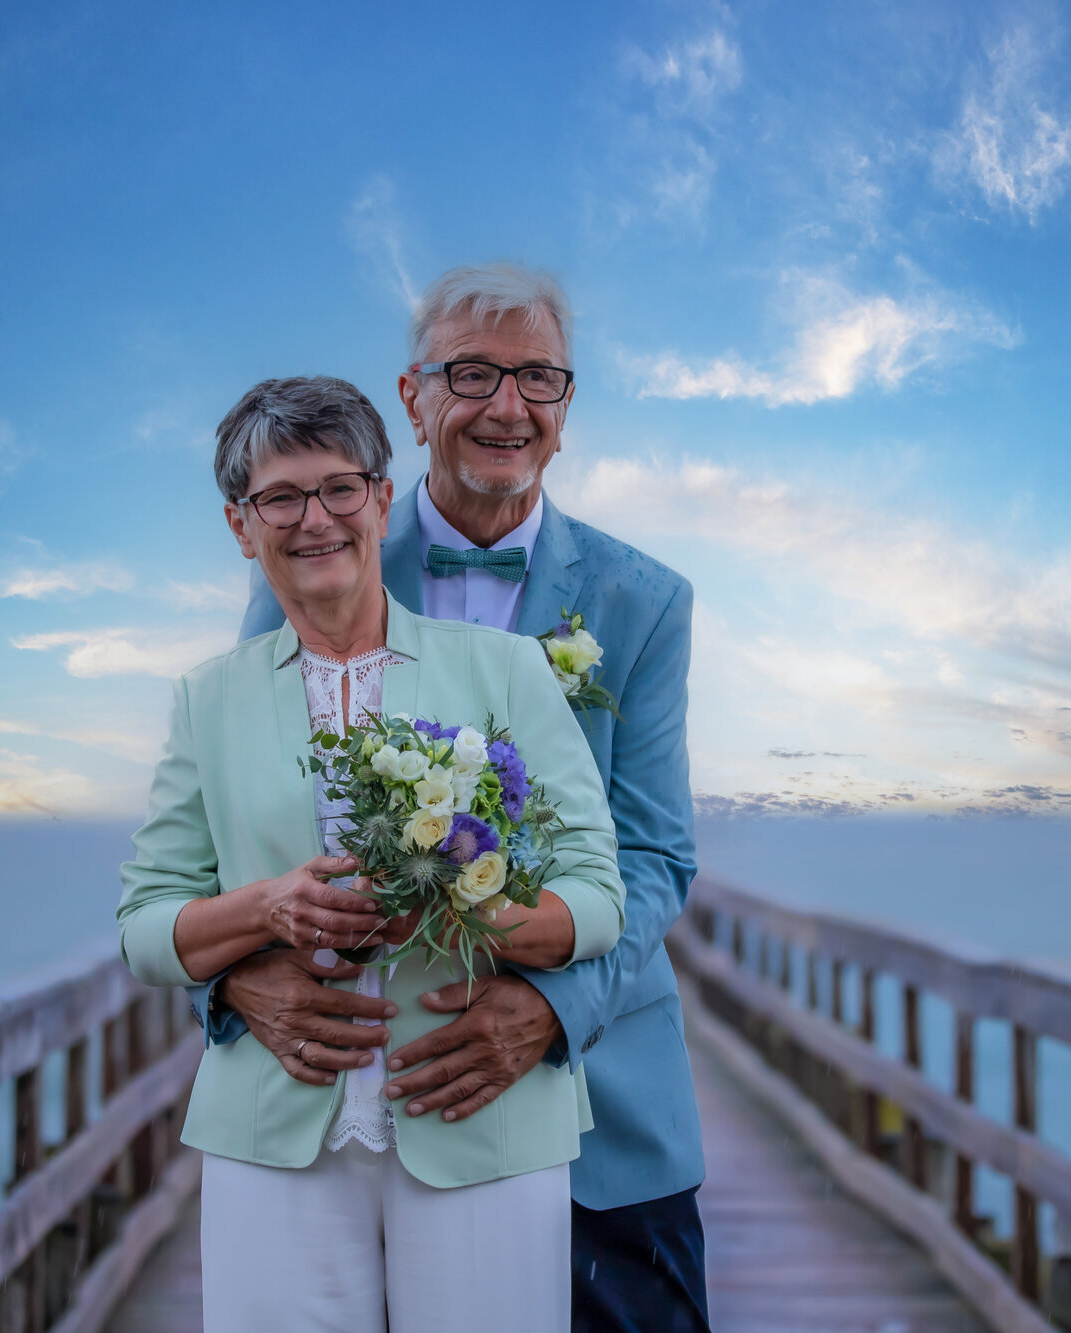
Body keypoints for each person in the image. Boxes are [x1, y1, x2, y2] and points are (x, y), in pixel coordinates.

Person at [206, 264, 709, 1331]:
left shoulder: (643, 601)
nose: (505, 406)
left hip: (605, 1105)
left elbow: (655, 858)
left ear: (566, 406)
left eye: (538, 378)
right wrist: (234, 984)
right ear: (412, 395)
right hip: (357, 1107)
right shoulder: (308, 549)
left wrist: (552, 1011)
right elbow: (224, 813)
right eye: (470, 373)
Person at [117, 375, 625, 1331]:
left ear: (383, 499)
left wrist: (457, 906)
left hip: (485, 1113)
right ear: (241, 524)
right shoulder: (206, 698)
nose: (316, 519)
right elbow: (146, 925)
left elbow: (597, 898)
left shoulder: (505, 669)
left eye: (341, 487)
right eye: (281, 496)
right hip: (274, 1122)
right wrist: (266, 911)